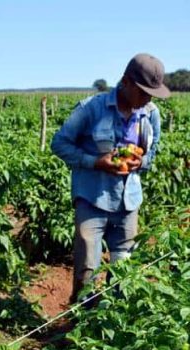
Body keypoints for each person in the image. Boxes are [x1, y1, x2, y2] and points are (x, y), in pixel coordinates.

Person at [51, 53, 171, 303]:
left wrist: (141, 161)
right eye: (144, 92)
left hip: (129, 202)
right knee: (87, 269)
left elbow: (153, 150)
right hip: (92, 198)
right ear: (126, 82)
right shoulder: (91, 109)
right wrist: (95, 162)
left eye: (152, 94)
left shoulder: (150, 114)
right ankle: (84, 318)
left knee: (123, 270)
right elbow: (59, 143)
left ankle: (114, 319)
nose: (148, 99)